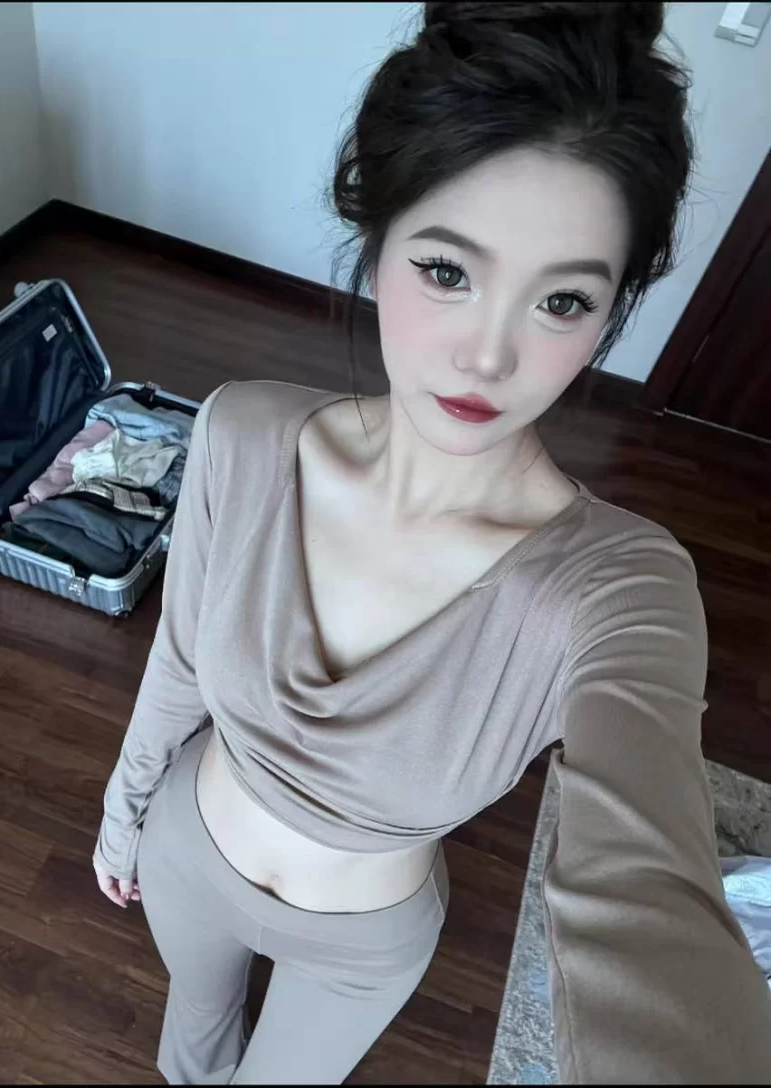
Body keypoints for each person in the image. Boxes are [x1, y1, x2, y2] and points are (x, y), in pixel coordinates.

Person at [92, 2, 771, 1084]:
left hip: (358, 950)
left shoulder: (616, 587)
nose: (487, 356)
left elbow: (647, 888)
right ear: (376, 242)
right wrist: (121, 812)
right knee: (190, 1048)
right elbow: (178, 653)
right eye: (448, 271)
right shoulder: (241, 430)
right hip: (186, 847)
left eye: (561, 300)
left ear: (611, 313)